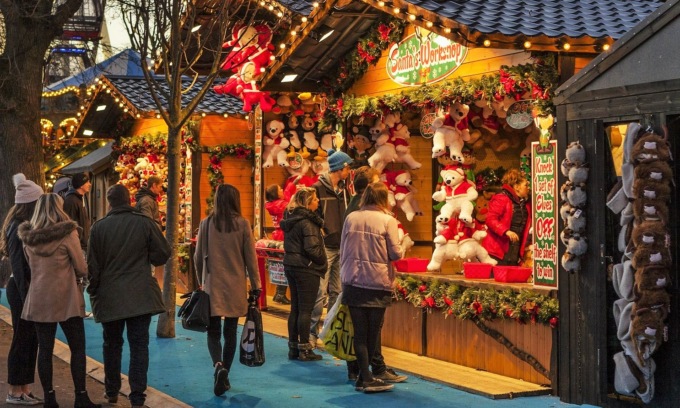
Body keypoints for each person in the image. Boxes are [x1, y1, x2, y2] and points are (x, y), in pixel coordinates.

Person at [87, 184, 170, 407]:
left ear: (109, 202)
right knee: (139, 346)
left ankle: (112, 390)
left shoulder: (99, 228)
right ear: (129, 200)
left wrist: (94, 290)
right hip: (140, 294)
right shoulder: (144, 223)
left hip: (110, 295)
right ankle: (137, 396)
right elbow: (163, 253)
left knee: (112, 344)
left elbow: (92, 266)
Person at [17, 193, 99, 408]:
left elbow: (29, 266)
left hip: (39, 298)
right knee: (77, 348)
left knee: (44, 349)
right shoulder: (68, 233)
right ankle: (81, 396)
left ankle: (50, 398)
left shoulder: (28, 237)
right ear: (59, 209)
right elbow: (81, 267)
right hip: (66, 299)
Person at [193, 184, 261, 397]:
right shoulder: (243, 224)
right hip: (235, 286)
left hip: (212, 285)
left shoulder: (206, 224)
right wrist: (256, 286)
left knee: (212, 332)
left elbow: (197, 257)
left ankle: (218, 365)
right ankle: (226, 374)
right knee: (230, 332)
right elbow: (251, 258)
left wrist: (200, 281)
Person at [344, 167, 408, 384]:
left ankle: (363, 376)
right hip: (377, 282)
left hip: (352, 281)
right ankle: (366, 376)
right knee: (373, 334)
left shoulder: (351, 217)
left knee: (359, 334)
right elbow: (395, 253)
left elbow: (344, 248)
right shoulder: (387, 220)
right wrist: (404, 244)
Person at [1, 173, 42, 405]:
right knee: (22, 339)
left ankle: (23, 388)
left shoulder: (18, 225)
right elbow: (18, 264)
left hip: (22, 289)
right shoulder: (18, 228)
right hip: (22, 290)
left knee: (28, 338)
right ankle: (15, 391)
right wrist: (29, 297)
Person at [309, 148, 353, 346]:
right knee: (320, 291)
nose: (349, 170)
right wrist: (323, 228)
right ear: (340, 168)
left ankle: (330, 333)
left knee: (336, 291)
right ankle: (311, 332)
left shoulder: (345, 190)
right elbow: (312, 212)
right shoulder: (318, 188)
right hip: (326, 246)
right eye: (347, 167)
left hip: (342, 245)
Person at [280, 187, 327, 361]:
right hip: (306, 268)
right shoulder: (308, 222)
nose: (318, 202)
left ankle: (293, 348)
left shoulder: (291, 218)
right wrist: (322, 260)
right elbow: (312, 248)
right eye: (315, 199)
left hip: (291, 265)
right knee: (306, 310)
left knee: (296, 309)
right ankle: (305, 349)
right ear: (308, 202)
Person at [482, 169, 532, 265]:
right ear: (517, 187)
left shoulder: (525, 203)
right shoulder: (501, 198)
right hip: (498, 250)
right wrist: (506, 231)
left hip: (514, 249)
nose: (528, 188)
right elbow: (490, 219)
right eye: (525, 185)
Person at [265, 182, 298, 305]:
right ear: (276, 193)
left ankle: (279, 293)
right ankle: (280, 293)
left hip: (276, 235)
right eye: (280, 188)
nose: (282, 190)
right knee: (285, 266)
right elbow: (291, 204)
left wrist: (292, 184)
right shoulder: (282, 205)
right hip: (284, 235)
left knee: (279, 265)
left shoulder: (271, 205)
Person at [62, 172, 91, 252]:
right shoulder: (72, 201)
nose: (90, 184)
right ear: (81, 185)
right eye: (87, 182)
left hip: (82, 244)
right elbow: (69, 224)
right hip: (77, 246)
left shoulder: (80, 199)